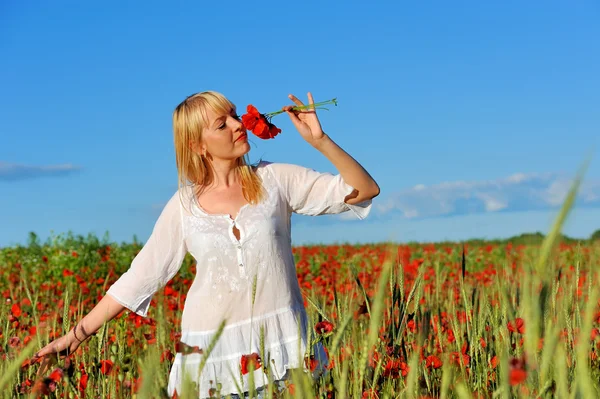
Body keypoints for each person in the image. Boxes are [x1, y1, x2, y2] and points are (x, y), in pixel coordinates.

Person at [30, 90, 380, 398]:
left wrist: (320, 141)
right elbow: (141, 276)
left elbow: (365, 190)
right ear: (197, 145)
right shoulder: (184, 206)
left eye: (233, 114)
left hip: (283, 355)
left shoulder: (276, 179)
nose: (237, 124)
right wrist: (77, 334)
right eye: (221, 124)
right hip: (212, 363)